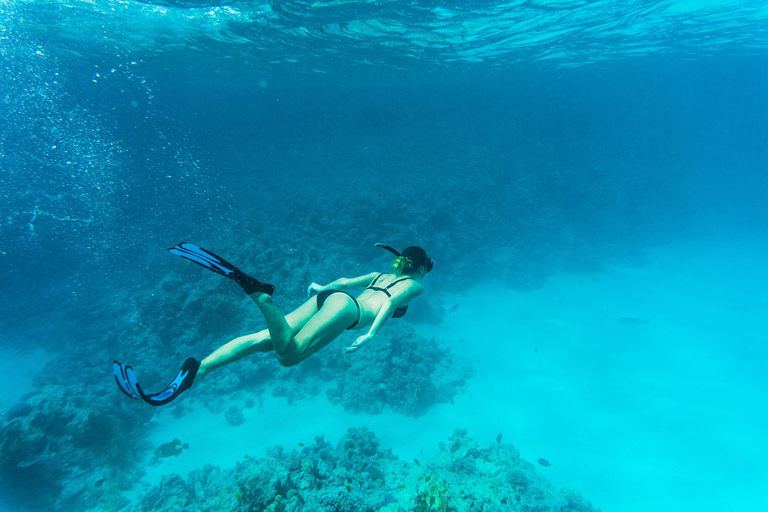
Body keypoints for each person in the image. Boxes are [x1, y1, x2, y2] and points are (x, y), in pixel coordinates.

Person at [114, 242, 434, 406]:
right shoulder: (414, 285)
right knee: (288, 356)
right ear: (419, 269)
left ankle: (197, 370)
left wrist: (320, 289)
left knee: (263, 340)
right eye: (426, 270)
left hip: (334, 298)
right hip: (347, 311)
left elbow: (346, 280)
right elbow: (391, 302)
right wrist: (371, 334)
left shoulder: (382, 274)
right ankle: (262, 297)